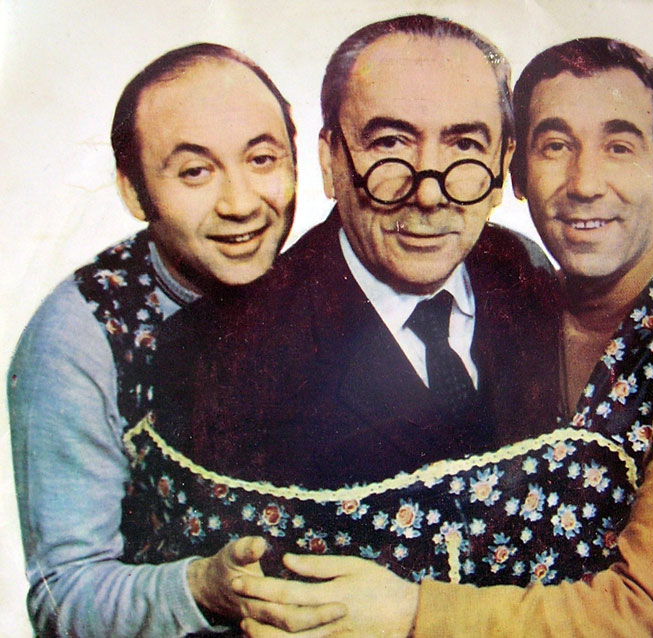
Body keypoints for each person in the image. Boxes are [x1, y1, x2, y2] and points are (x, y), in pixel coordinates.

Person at [244, 37, 653, 638]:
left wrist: (410, 612)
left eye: (619, 147)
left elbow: (643, 613)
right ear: (517, 172)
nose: (585, 182)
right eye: (556, 146)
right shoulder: (527, 287)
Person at [148, 14, 560, 637]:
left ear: (503, 165)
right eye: (390, 144)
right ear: (330, 161)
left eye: (465, 147)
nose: (429, 194)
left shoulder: (525, 273)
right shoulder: (216, 352)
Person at [8, 43, 299, 637]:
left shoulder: (325, 277)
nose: (241, 204)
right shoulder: (79, 337)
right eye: (195, 172)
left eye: (262, 159)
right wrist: (201, 589)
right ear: (134, 192)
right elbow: (63, 596)